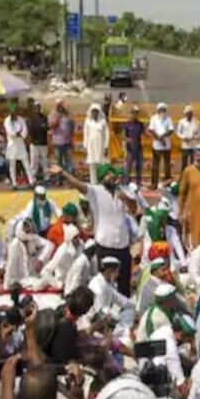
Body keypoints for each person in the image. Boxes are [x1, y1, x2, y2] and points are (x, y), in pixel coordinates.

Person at [51, 163, 134, 296]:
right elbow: (77, 184)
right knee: (106, 283)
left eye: (114, 175)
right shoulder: (96, 192)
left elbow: (135, 209)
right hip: (106, 246)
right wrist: (63, 173)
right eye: (109, 175)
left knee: (125, 282)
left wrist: (125, 198)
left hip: (123, 246)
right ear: (103, 178)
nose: (113, 177)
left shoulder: (123, 191)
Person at [148, 102, 174, 189]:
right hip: (157, 146)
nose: (162, 112)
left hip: (166, 146)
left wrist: (163, 136)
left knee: (167, 165)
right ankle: (154, 184)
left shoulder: (168, 118)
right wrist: (159, 139)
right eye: (161, 110)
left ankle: (168, 184)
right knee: (155, 166)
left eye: (164, 110)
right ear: (158, 110)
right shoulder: (153, 118)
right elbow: (151, 130)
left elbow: (171, 130)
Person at [83, 103, 110, 185]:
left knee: (101, 163)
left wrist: (106, 146)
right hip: (91, 145)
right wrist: (85, 145)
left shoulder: (103, 121)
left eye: (96, 111)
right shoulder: (88, 121)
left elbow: (107, 134)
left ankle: (102, 182)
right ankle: (93, 183)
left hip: (100, 145)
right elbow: (86, 133)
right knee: (92, 164)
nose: (95, 113)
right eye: (93, 111)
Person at [49, 99, 75, 177]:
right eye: (58, 105)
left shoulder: (68, 114)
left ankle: (70, 180)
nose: (60, 107)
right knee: (58, 162)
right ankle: (58, 180)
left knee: (69, 162)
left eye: (61, 105)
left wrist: (71, 138)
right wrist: (58, 118)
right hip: (58, 142)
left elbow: (72, 126)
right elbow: (51, 126)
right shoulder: (53, 114)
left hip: (67, 142)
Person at [27, 100, 50, 183]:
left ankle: (47, 177)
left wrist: (41, 127)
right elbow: (31, 129)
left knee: (44, 161)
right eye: (36, 107)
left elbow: (47, 127)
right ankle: (32, 178)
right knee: (34, 161)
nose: (37, 109)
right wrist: (41, 127)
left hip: (43, 143)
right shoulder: (31, 118)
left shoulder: (44, 117)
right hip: (34, 143)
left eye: (39, 107)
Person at [123, 105, 145, 185]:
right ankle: (126, 181)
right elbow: (123, 136)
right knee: (128, 166)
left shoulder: (140, 124)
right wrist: (127, 139)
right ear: (131, 113)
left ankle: (138, 182)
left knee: (139, 166)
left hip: (139, 148)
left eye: (136, 113)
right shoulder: (126, 124)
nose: (135, 115)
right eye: (133, 113)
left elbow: (143, 134)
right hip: (130, 149)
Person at [177, 105, 200, 170]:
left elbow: (199, 134)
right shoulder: (181, 121)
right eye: (187, 113)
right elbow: (178, 133)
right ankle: (183, 177)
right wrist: (184, 137)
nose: (189, 114)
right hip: (185, 145)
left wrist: (193, 137)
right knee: (184, 163)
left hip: (193, 145)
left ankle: (193, 177)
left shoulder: (196, 122)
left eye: (190, 112)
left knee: (193, 162)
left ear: (192, 113)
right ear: (185, 113)